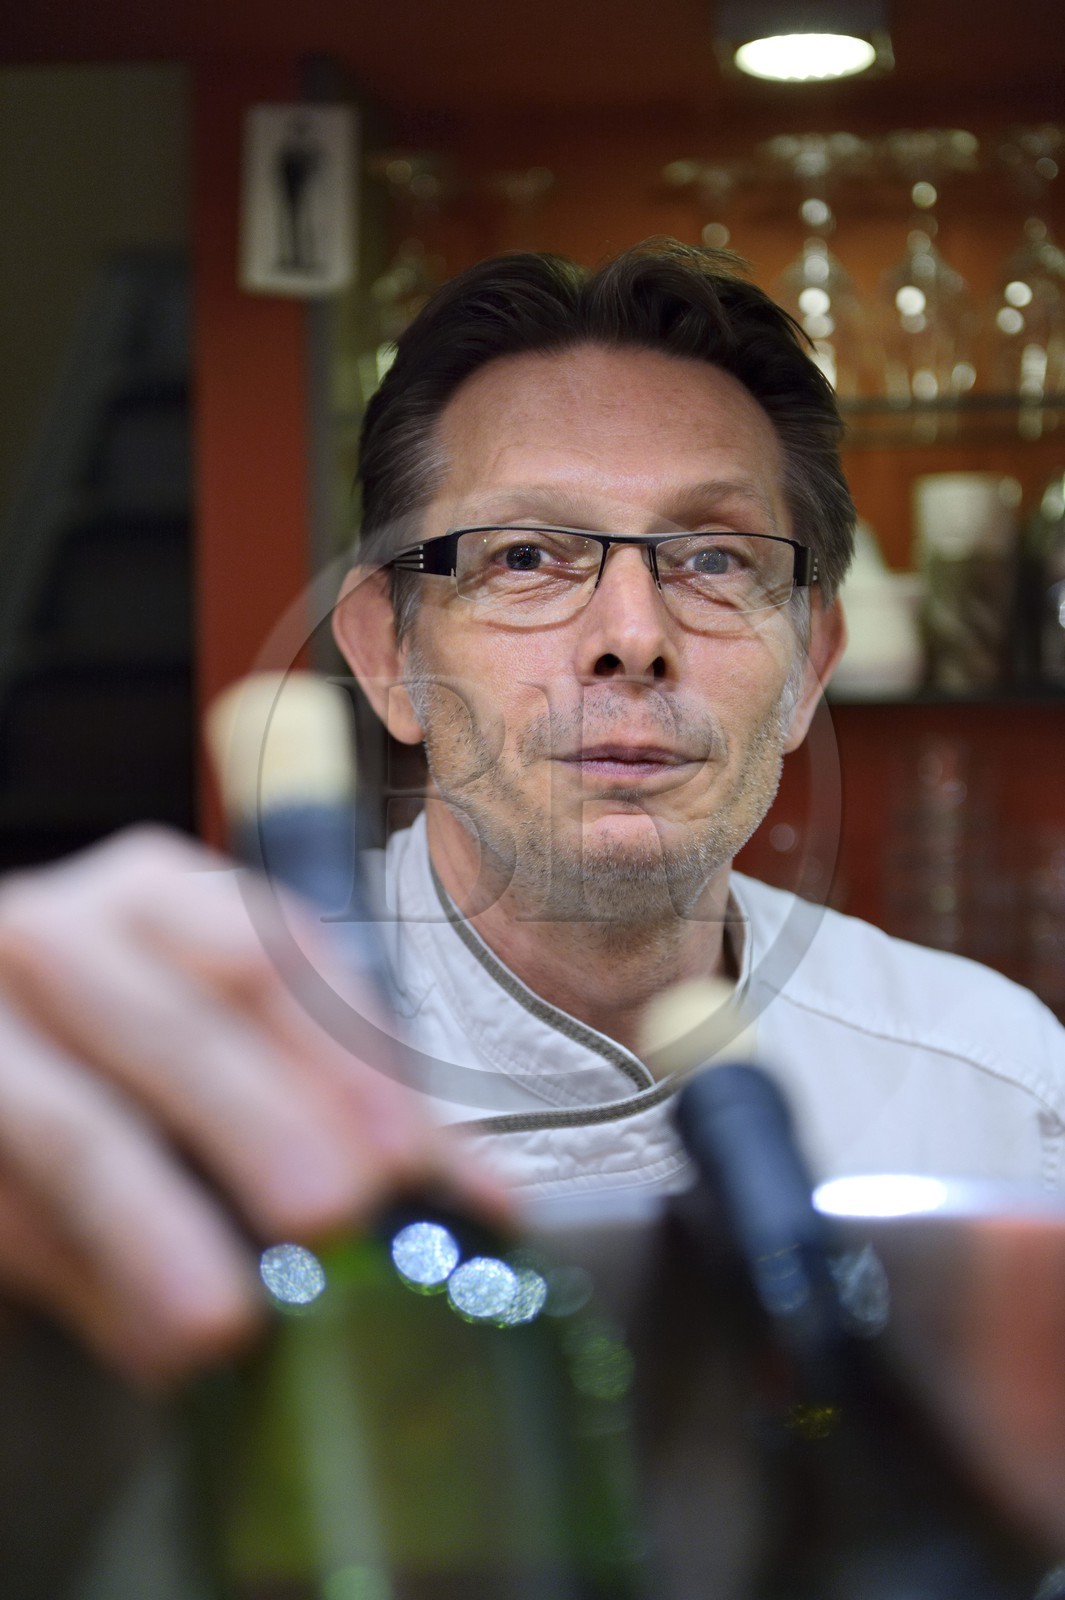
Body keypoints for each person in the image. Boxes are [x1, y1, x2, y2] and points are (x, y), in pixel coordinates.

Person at [0, 241, 1062, 1390]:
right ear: (389, 655)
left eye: (712, 557)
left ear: (809, 670)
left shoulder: (999, 1089)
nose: (633, 634)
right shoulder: (177, 1040)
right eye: (525, 555)